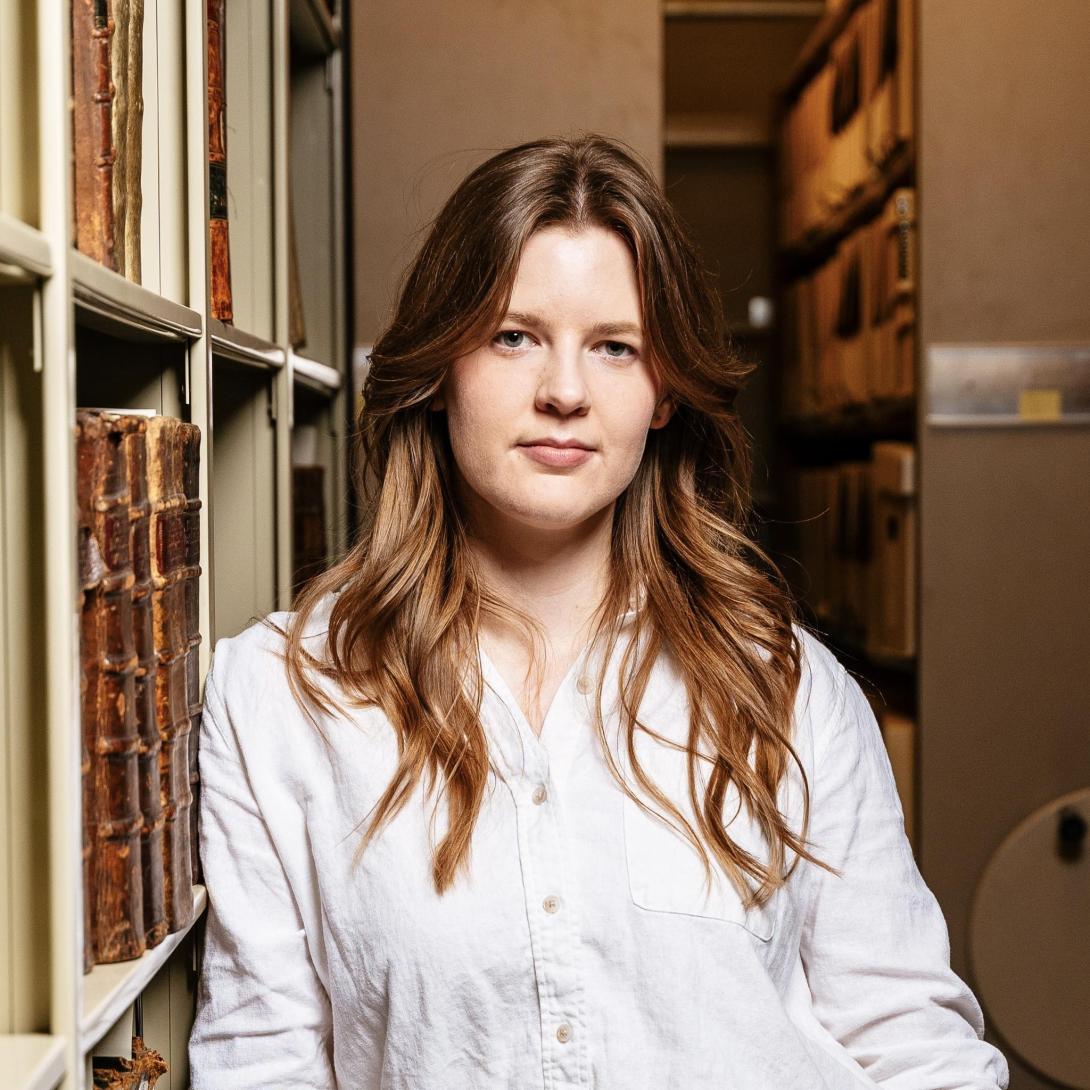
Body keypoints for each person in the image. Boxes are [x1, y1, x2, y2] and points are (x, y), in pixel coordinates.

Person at [188, 133, 1009, 1090]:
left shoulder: (785, 688)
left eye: (615, 348)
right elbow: (261, 1061)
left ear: (662, 396)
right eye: (513, 336)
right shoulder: (283, 698)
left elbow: (908, 1036)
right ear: (441, 365)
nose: (565, 392)